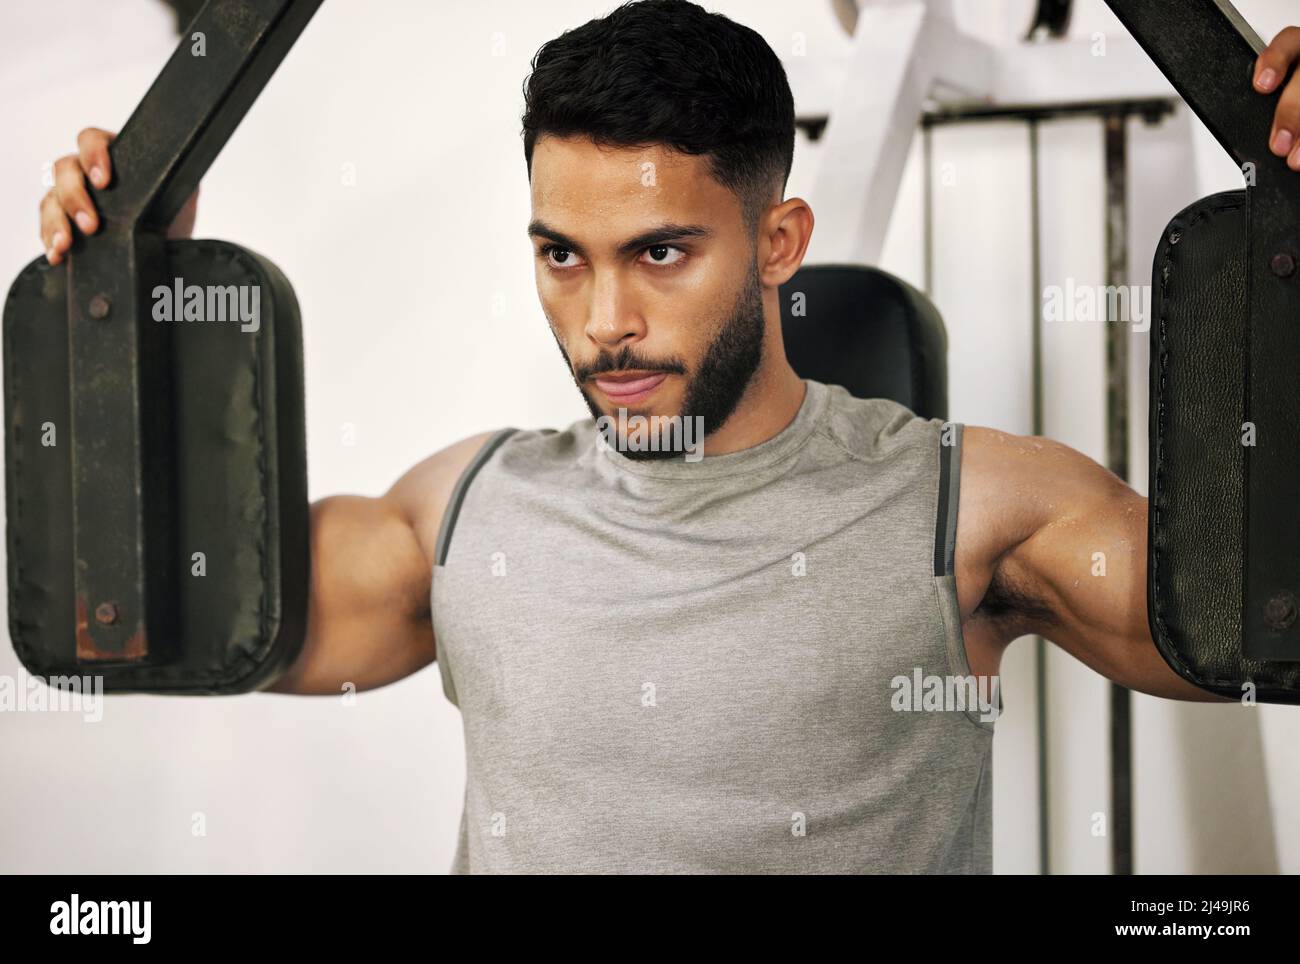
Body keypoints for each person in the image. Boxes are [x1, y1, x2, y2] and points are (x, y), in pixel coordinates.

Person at [35, 0, 1300, 873]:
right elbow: (177, 622)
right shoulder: (468, 512)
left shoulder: (964, 512)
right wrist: (138, 310)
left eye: (659, 253)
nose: (606, 323)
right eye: (560, 257)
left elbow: (1257, 629)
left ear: (779, 244)